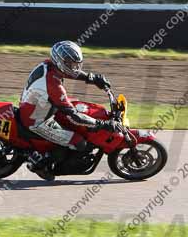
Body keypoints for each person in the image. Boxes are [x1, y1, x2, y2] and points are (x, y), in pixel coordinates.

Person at [19, 40, 116, 180]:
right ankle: (42, 165)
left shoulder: (48, 65)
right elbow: (74, 116)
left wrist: (92, 78)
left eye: (76, 64)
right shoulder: (54, 85)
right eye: (71, 64)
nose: (74, 67)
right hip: (37, 120)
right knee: (78, 141)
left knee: (77, 108)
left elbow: (69, 72)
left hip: (38, 106)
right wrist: (101, 124)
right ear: (60, 62)